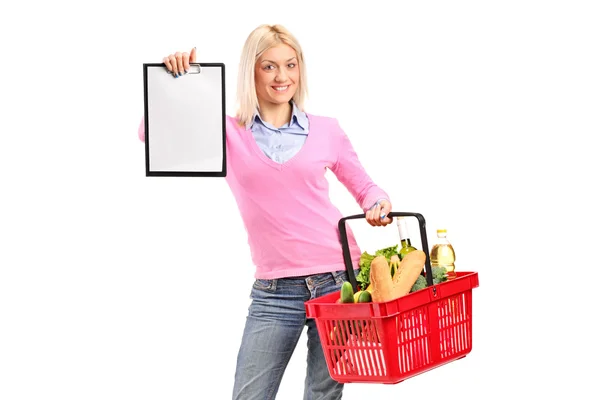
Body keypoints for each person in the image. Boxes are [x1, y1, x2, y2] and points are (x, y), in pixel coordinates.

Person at [138, 24, 393, 400]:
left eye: (291, 65)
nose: (282, 77)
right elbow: (154, 135)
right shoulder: (226, 134)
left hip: (340, 284)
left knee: (323, 394)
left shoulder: (327, 130)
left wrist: (378, 204)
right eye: (269, 66)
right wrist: (178, 83)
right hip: (275, 292)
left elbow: (365, 187)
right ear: (251, 71)